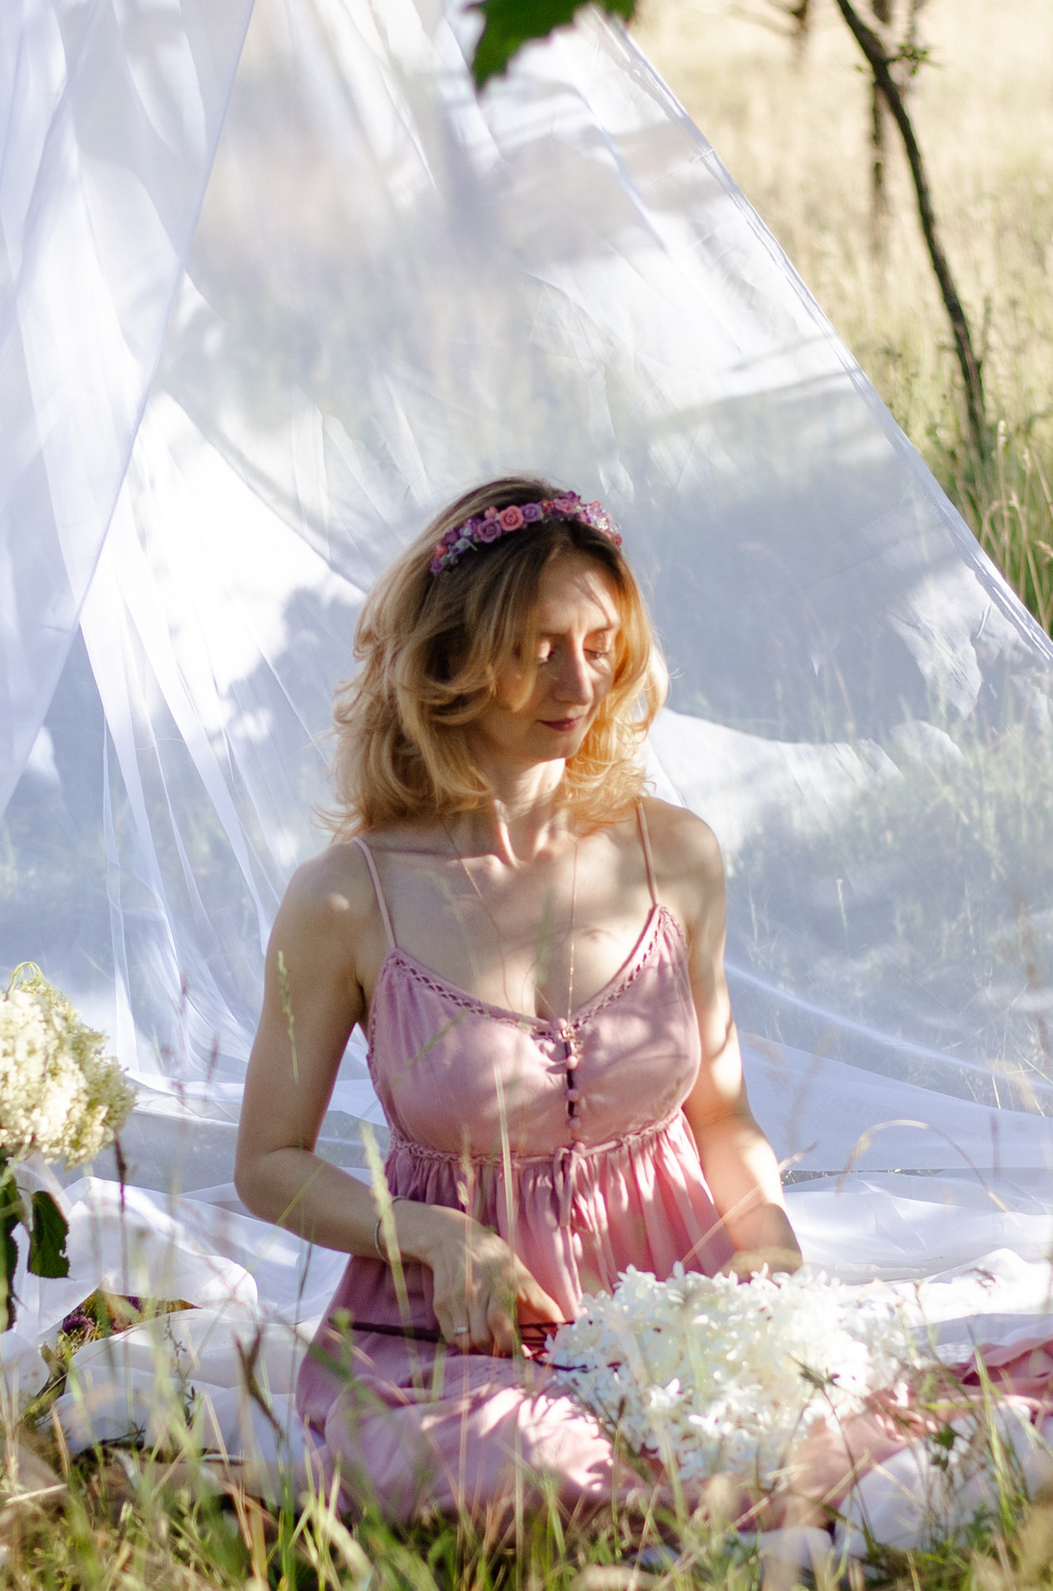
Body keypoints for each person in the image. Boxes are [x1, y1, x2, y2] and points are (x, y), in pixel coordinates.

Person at [234, 476, 805, 1522]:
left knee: (806, 1453)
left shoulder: (674, 855)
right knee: (537, 1469)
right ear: (453, 656)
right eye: (539, 648)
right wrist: (431, 1235)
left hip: (676, 1309)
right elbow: (267, 1162)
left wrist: (766, 1251)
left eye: (599, 646)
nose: (577, 681)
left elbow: (722, 1114)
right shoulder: (346, 900)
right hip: (453, 1341)